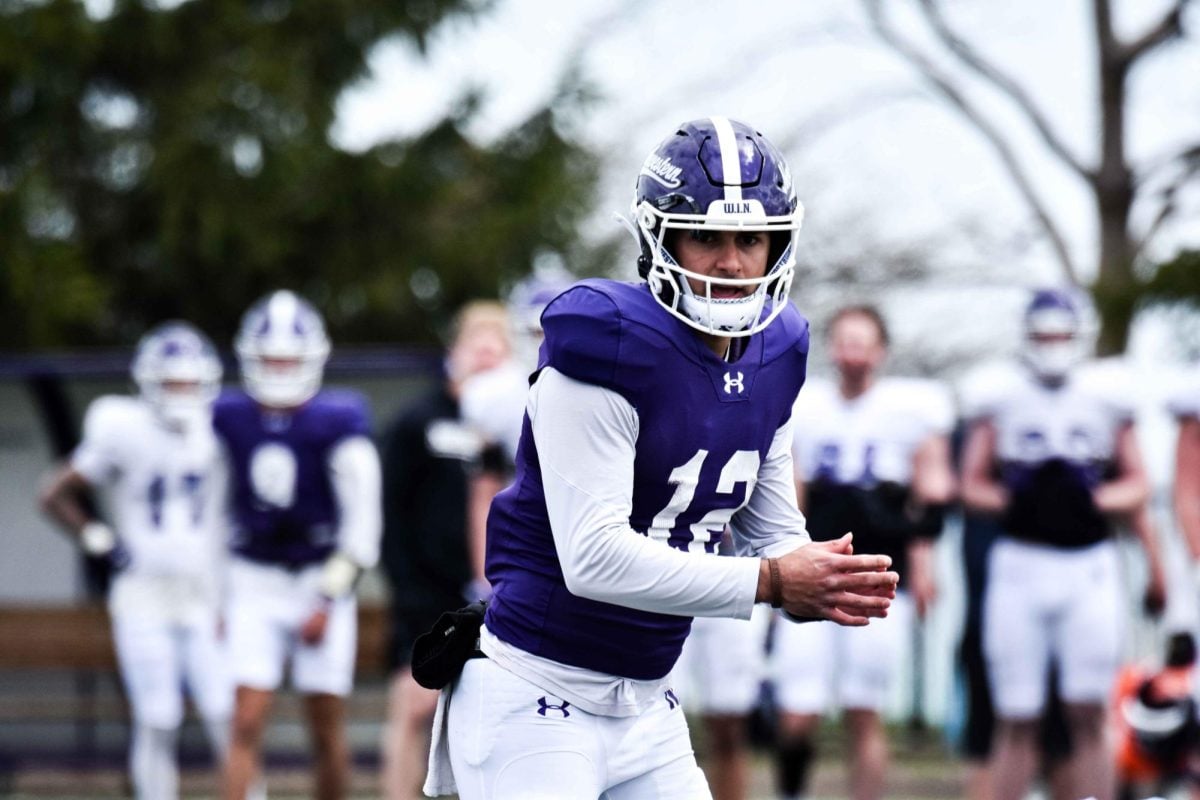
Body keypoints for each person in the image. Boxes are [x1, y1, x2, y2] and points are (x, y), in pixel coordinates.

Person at [426, 116, 899, 800]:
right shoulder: (607, 342)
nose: (731, 262)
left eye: (750, 239)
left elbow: (771, 531)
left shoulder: (778, 352)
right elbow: (595, 557)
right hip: (535, 689)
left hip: (646, 702)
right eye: (705, 236)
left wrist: (817, 579)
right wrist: (770, 582)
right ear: (660, 238)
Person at [960, 287, 1152, 800]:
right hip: (1020, 563)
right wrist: (1014, 499)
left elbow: (1139, 482)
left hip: (1088, 564)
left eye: (1061, 334)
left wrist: (1093, 497)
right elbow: (971, 484)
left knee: (1088, 709)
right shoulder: (999, 397)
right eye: (1043, 334)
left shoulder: (1106, 396)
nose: (1052, 344)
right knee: (1017, 714)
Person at [39, 321, 233, 800]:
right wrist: (96, 537)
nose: (181, 392)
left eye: (189, 381)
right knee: (157, 718)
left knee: (227, 715)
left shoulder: (225, 426)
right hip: (142, 595)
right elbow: (54, 493)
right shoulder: (121, 425)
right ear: (147, 382)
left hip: (207, 595)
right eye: (171, 382)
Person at [772, 305, 956, 800]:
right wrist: (779, 571)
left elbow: (929, 502)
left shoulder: (911, 412)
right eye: (845, 341)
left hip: (877, 573)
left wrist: (924, 570)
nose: (853, 353)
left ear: (881, 351)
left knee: (863, 708)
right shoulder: (803, 407)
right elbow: (790, 495)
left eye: (863, 341)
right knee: (797, 711)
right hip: (815, 566)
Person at [216, 290, 382, 800]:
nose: (279, 368)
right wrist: (218, 592)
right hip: (254, 578)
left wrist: (328, 598)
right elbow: (213, 512)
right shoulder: (228, 416)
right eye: (271, 358)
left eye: (288, 358)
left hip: (318, 576)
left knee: (326, 723)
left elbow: (363, 526)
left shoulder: (339, 420)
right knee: (245, 717)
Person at [379, 301, 513, 800]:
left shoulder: (518, 429)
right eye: (475, 341)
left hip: (497, 593)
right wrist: (407, 589)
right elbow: (391, 511)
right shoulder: (419, 421)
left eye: (495, 344)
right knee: (414, 710)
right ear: (454, 349)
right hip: (427, 592)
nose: (484, 354)